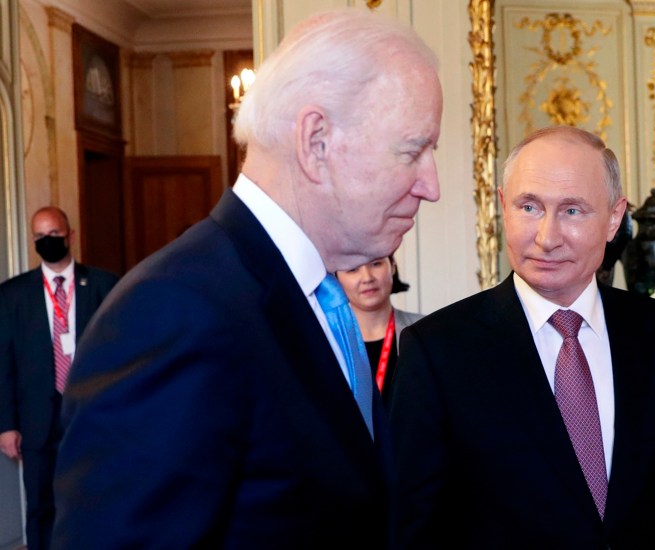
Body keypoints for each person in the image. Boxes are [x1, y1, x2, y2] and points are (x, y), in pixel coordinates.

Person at [52, 9, 442, 548]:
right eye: (413, 151)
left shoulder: (314, 295)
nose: (431, 185)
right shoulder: (173, 312)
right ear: (317, 141)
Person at [390, 126, 655, 548]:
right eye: (529, 207)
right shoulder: (437, 352)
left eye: (573, 211)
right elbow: (409, 531)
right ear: (503, 206)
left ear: (614, 218)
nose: (547, 238)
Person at [0, 206, 118, 550]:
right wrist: (7, 425)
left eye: (53, 234)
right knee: (40, 505)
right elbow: (4, 362)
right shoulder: (12, 295)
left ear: (70, 235)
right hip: (37, 418)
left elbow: (118, 353)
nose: (47, 241)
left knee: (94, 497)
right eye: (39, 236)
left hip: (91, 414)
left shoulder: (103, 285)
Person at [337, 255, 423, 407]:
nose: (367, 278)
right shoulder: (327, 341)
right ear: (336, 278)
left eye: (376, 264)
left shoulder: (426, 330)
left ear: (393, 266)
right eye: (353, 269)